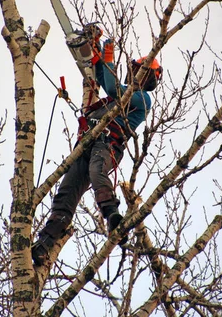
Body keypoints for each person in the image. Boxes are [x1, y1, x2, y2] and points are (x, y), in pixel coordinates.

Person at [31, 28, 163, 266]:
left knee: (96, 172)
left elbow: (111, 87)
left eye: (139, 70)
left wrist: (107, 58)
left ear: (147, 77)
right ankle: (45, 244)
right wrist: (98, 54)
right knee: (65, 193)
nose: (133, 73)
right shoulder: (119, 95)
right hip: (86, 145)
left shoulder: (142, 98)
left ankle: (112, 214)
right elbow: (105, 80)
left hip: (107, 144)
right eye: (134, 69)